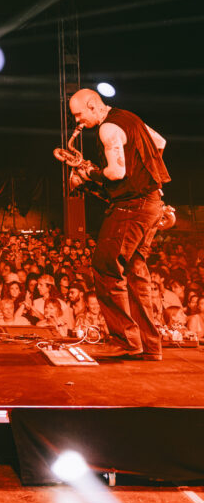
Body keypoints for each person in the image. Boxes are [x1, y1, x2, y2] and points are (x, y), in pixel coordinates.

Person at [67, 88, 170, 360]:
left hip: (132, 207)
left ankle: (126, 341)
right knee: (135, 273)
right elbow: (160, 142)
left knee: (105, 266)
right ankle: (150, 346)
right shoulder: (130, 118)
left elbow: (116, 172)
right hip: (152, 203)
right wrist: (142, 172)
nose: (78, 121)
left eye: (79, 114)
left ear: (92, 105)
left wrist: (89, 174)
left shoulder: (108, 128)